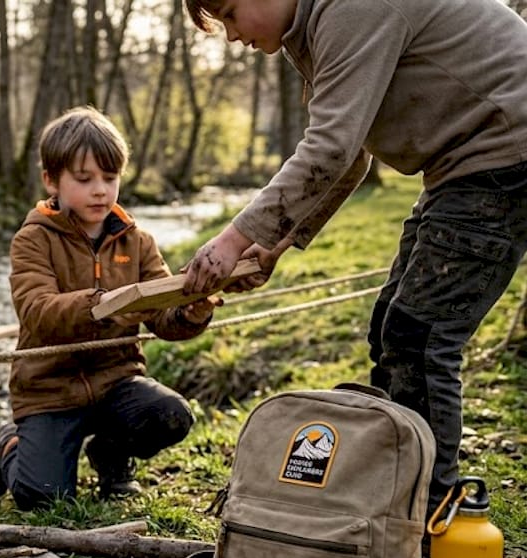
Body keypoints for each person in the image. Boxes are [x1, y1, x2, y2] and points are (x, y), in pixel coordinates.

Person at [180, 0, 527, 516]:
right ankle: (391, 494)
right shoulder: (314, 27)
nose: (231, 35)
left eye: (230, 13)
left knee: (421, 338)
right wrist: (274, 243)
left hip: (505, 156)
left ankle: (427, 517)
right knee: (391, 328)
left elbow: (330, 149)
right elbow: (351, 154)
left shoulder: (352, 8)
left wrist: (230, 241)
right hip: (461, 167)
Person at [0, 106, 222, 510]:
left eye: (110, 178)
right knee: (44, 500)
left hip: (116, 381)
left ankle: (111, 455)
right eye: (85, 179)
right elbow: (37, 310)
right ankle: (8, 448)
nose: (101, 190)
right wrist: (102, 305)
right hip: (49, 391)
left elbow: (162, 316)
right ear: (51, 180)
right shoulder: (32, 240)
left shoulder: (137, 241)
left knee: (172, 415)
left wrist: (191, 312)